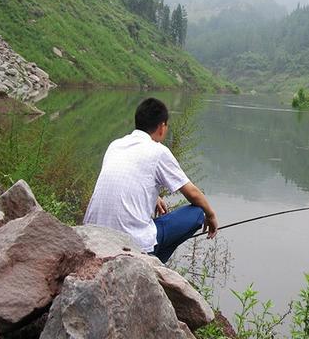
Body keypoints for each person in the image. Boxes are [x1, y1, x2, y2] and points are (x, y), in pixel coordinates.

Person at [84, 97, 218, 263]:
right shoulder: (158, 151)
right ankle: (152, 263)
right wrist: (210, 215)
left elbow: (126, 179)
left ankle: (153, 264)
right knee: (197, 212)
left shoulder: (116, 145)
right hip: (130, 243)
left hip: (93, 235)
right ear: (162, 127)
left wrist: (154, 197)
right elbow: (192, 193)